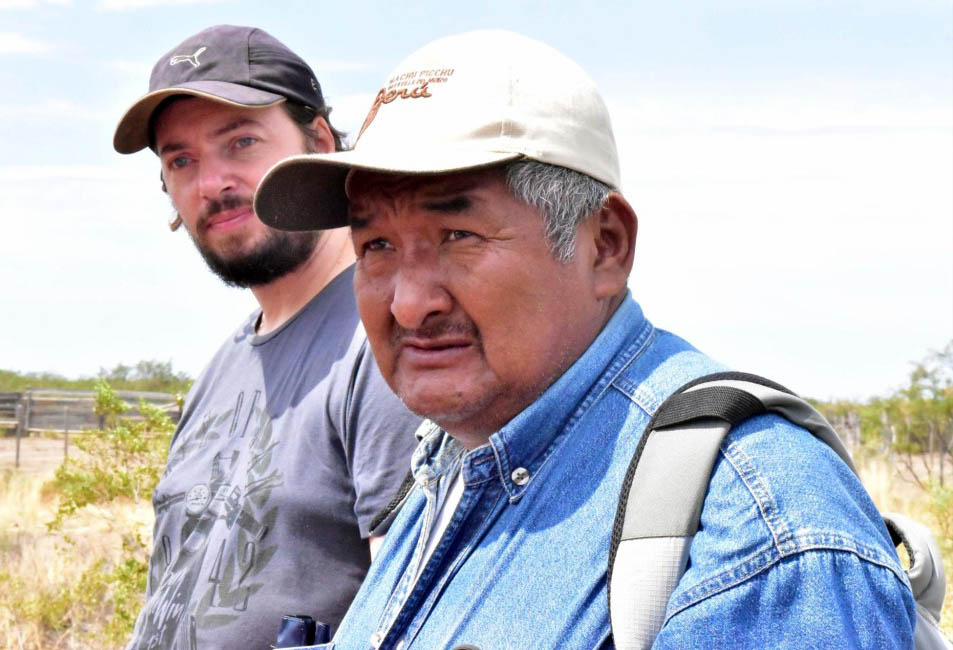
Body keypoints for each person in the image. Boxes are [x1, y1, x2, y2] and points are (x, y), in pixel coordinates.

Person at [254, 30, 916, 649]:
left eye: (458, 236)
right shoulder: (448, 466)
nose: (408, 302)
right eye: (375, 245)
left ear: (604, 247)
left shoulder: (753, 516)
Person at [112, 25, 420, 650]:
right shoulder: (220, 369)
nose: (211, 183)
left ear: (321, 145)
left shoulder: (389, 342)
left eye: (242, 142)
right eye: (180, 160)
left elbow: (411, 616)